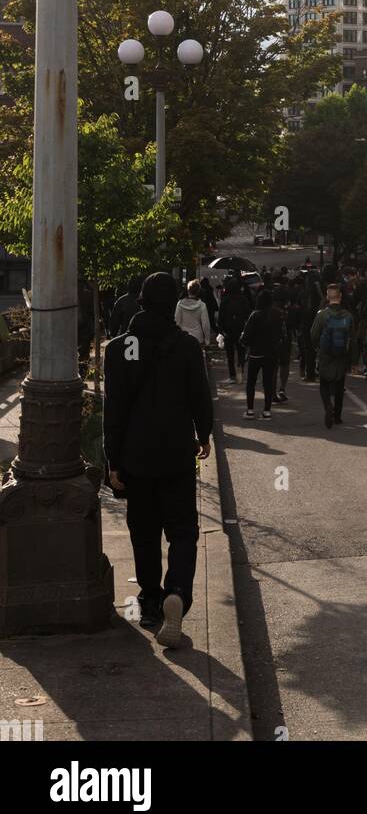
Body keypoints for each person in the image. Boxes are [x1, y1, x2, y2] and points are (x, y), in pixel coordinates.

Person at [103, 271, 213, 649]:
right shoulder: (184, 346)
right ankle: (177, 591)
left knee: (144, 530)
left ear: (141, 301)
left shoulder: (118, 348)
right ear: (172, 304)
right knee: (182, 530)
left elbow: (113, 409)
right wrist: (204, 433)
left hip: (135, 456)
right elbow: (200, 395)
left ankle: (150, 599)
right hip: (176, 453)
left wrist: (112, 459)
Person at [311, 283, 358, 428]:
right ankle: (337, 416)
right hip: (341, 355)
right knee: (339, 385)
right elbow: (353, 340)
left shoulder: (322, 315)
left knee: (324, 383)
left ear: (327, 297)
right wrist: (354, 360)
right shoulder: (348, 316)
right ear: (341, 296)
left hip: (325, 354)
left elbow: (313, 334)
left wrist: (317, 348)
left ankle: (327, 406)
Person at [240, 289, 284, 420]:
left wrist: (243, 341)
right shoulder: (277, 315)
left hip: (255, 354)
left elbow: (246, 338)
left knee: (251, 382)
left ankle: (250, 410)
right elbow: (282, 334)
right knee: (268, 382)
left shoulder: (255, 315)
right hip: (271, 354)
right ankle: (267, 411)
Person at [217, 276, 249, 383]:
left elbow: (221, 316)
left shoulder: (225, 300)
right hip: (240, 328)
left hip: (228, 330)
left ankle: (232, 375)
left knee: (230, 354)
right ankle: (240, 372)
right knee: (241, 352)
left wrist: (221, 329)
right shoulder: (243, 298)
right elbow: (247, 314)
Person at [174, 279, 212, 357]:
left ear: (188, 290)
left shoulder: (180, 304)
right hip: (198, 338)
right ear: (198, 291)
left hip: (183, 337)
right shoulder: (202, 305)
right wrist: (207, 340)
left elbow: (176, 321)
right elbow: (205, 324)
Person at [110, 275, 143, 339]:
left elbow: (114, 323)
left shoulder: (121, 301)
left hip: (125, 337)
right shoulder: (146, 300)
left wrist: (113, 334)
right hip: (143, 338)